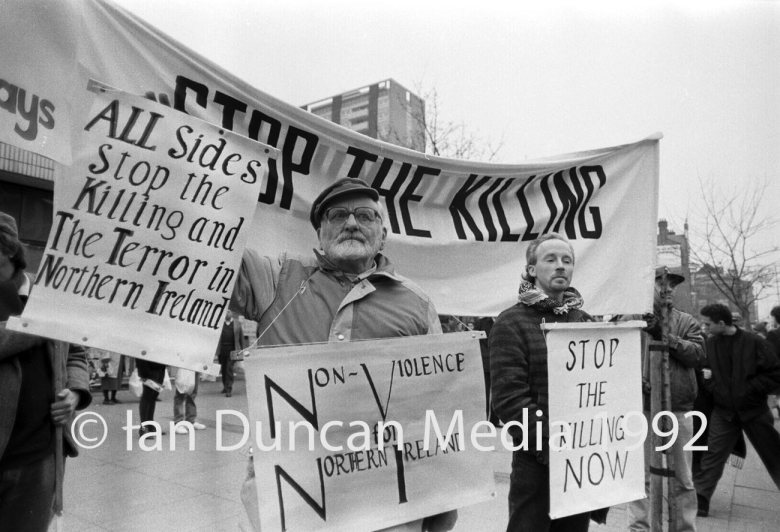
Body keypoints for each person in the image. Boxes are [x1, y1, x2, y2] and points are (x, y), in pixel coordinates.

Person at [231, 178, 455, 532]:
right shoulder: (276, 278)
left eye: (365, 216)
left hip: (383, 499)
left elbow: (437, 406)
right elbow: (207, 251)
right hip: (291, 494)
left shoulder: (417, 302)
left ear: (382, 234)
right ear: (320, 232)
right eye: (337, 215)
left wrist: (442, 506)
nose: (351, 223)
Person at [489, 232, 597, 532]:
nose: (560, 266)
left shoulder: (586, 321)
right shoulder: (511, 322)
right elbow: (509, 400)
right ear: (532, 269)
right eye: (550, 259)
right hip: (536, 461)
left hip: (580, 460)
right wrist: (555, 442)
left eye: (567, 260)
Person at [0, 211, 92, 531]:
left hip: (39, 458)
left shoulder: (50, 296)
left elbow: (76, 353)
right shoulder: (48, 310)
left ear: (9, 251)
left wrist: (76, 394)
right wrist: (39, 324)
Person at [628, 267, 704, 532]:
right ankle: (639, 527)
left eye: (671, 284)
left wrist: (666, 337)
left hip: (679, 409)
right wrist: (636, 381)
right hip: (643, 409)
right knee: (640, 477)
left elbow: (697, 354)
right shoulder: (633, 322)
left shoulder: (686, 321)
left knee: (683, 478)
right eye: (661, 283)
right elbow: (621, 361)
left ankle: (684, 527)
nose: (667, 289)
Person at [694, 303, 780, 517]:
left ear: (721, 323)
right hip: (724, 413)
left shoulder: (754, 343)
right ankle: (701, 499)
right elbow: (706, 372)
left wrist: (749, 391)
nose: (704, 328)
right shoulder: (710, 345)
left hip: (754, 411)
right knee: (713, 454)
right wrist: (716, 389)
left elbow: (774, 373)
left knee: (774, 454)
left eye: (707, 324)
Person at [135, 358, 167, 436]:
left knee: (153, 397)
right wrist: (144, 372)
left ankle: (150, 426)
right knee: (147, 397)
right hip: (148, 368)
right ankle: (144, 429)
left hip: (159, 367)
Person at [217, 310, 244, 398]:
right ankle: (225, 386)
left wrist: (242, 351)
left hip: (233, 350)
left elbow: (241, 338)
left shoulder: (237, 323)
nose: (227, 314)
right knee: (224, 369)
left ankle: (229, 389)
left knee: (229, 369)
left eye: (228, 312)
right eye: (225, 312)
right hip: (222, 351)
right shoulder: (220, 323)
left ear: (231, 313)